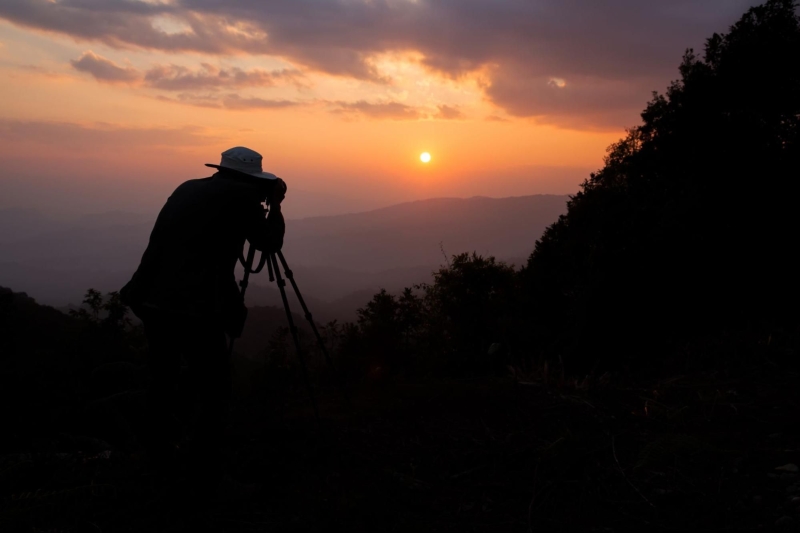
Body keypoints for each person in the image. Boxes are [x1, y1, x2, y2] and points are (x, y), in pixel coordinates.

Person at [120, 146, 286, 490]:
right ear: (251, 178)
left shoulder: (187, 187)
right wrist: (276, 206)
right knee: (215, 389)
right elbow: (269, 243)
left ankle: (157, 461)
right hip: (195, 308)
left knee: (162, 380)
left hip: (152, 299)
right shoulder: (242, 198)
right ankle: (202, 470)